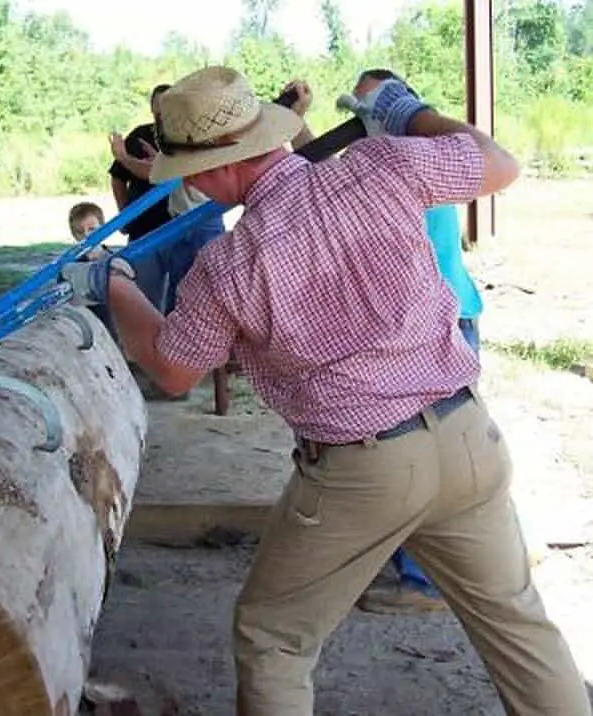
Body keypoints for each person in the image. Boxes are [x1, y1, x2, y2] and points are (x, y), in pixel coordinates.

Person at [61, 65, 591, 716]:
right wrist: (409, 113)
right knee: (518, 624)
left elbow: (174, 369)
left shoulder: (230, 264)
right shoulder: (378, 165)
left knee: (273, 640)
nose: (191, 184)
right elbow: (499, 164)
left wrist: (113, 284)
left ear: (216, 168)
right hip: (466, 435)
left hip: (364, 469)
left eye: (190, 171)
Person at [345, 68, 487, 615]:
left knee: (424, 453)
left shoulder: (415, 161)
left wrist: (410, 113)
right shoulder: (406, 159)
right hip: (446, 319)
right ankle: (479, 552)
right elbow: (327, 188)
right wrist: (305, 132)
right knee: (458, 446)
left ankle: (421, 583)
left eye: (369, 110)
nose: (361, 123)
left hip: (437, 326)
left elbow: (483, 150)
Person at [109, 80, 316, 315]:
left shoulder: (234, 260)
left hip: (198, 224)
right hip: (179, 221)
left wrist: (116, 285)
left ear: (223, 163)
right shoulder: (340, 180)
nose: (186, 180)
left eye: (192, 171)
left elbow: (178, 350)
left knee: (190, 302)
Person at [108, 84, 174, 312]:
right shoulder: (139, 136)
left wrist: (125, 158)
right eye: (158, 106)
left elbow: (154, 173)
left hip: (182, 228)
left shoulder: (188, 137)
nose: (163, 111)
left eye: (169, 104)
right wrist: (124, 213)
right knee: (143, 301)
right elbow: (117, 177)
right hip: (143, 230)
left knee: (182, 301)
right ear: (151, 108)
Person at [66, 201, 116, 340]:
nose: (87, 236)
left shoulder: (115, 262)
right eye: (80, 232)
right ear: (74, 235)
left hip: (113, 328)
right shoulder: (70, 268)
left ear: (103, 227)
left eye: (92, 229)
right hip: (86, 329)